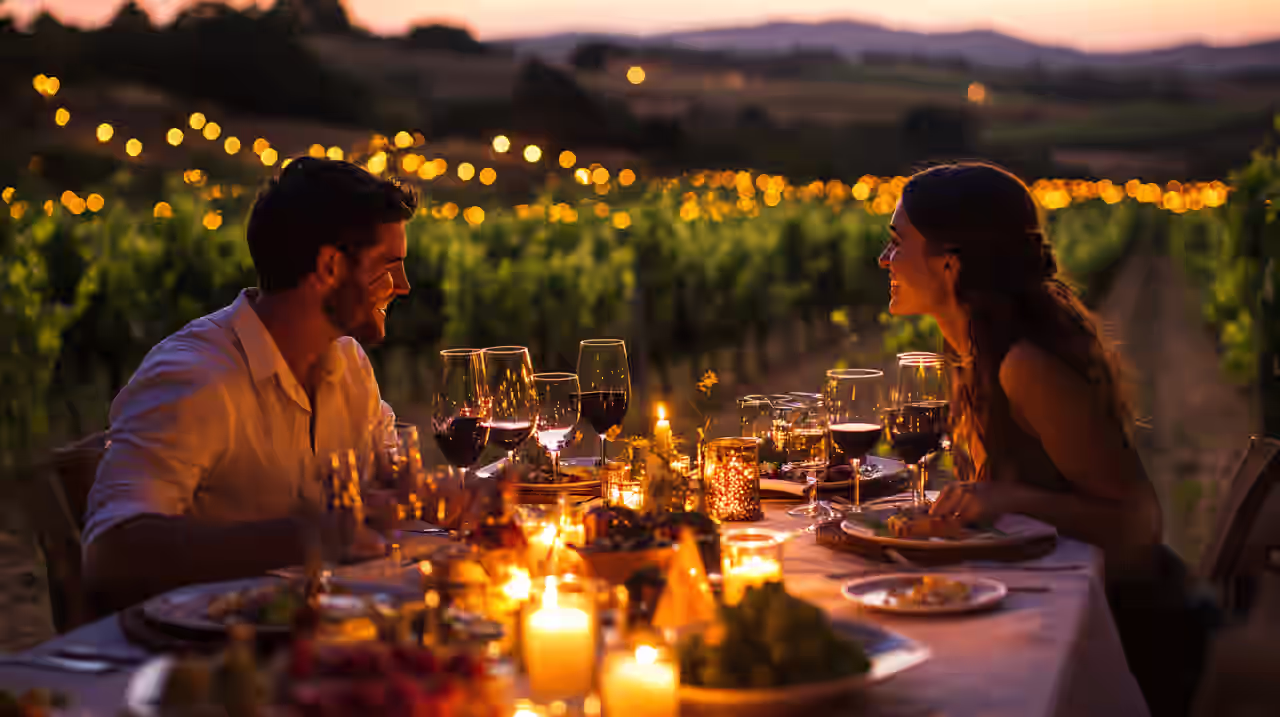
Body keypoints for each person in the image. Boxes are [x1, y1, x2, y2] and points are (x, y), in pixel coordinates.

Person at [879, 162, 1214, 717]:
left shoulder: (1022, 367)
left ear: (950, 262)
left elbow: (1139, 524)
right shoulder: (974, 354)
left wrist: (1008, 500)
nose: (883, 259)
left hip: (1127, 637)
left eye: (897, 243)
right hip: (1061, 612)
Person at [83, 158, 415, 613]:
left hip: (329, 635)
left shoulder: (349, 363)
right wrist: (305, 536)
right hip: (208, 659)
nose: (404, 286)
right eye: (388, 266)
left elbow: (392, 480)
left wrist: (444, 493)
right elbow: (111, 554)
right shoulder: (196, 376)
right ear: (330, 266)